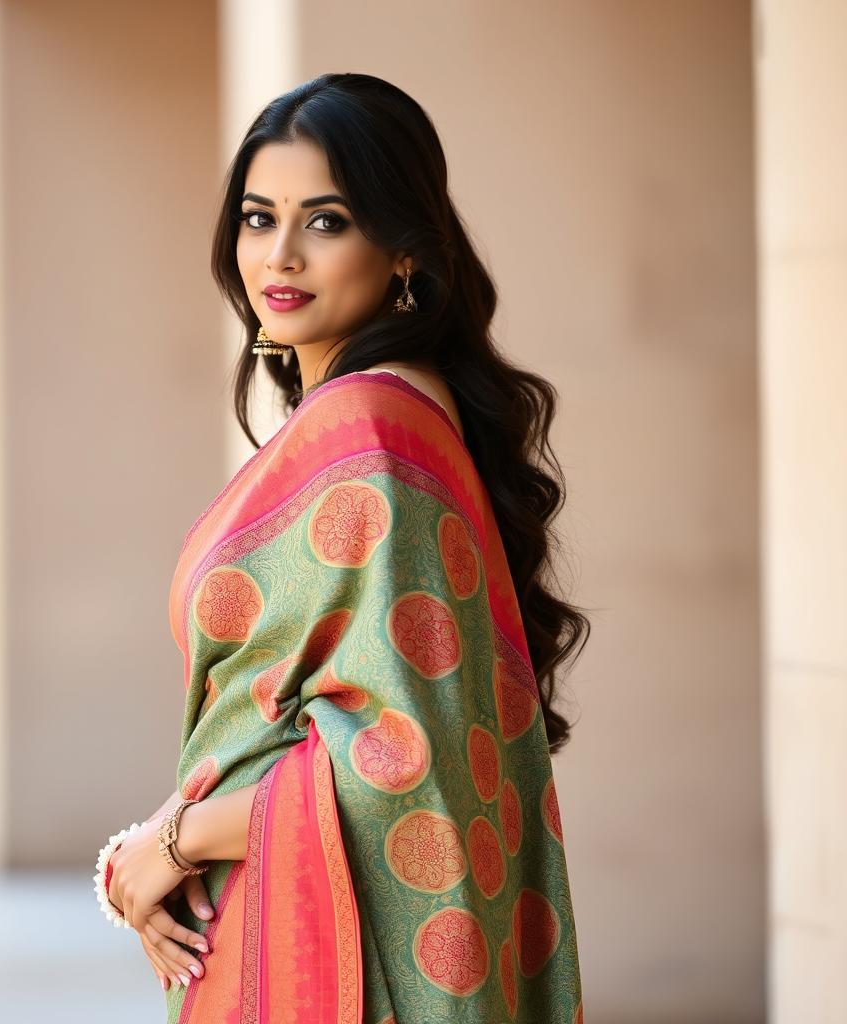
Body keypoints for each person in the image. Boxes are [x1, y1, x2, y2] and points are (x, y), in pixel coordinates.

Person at [101, 72, 589, 1023]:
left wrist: (178, 839)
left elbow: (406, 759)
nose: (278, 255)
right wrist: (156, 842)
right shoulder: (393, 409)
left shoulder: (367, 427)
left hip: (328, 952)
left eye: (325, 221)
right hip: (271, 910)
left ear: (403, 249)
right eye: (257, 216)